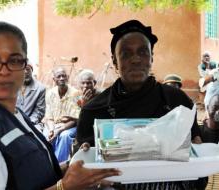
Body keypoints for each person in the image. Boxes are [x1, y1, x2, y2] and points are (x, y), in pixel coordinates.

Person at [0, 21, 120, 190]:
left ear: (25, 66)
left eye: (14, 60)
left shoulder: (13, 113)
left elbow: (30, 173)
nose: (4, 70)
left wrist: (72, 166)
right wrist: (65, 187)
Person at [77, 19, 203, 189]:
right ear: (115, 61)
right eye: (126, 54)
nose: (136, 60)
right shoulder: (93, 111)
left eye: (143, 52)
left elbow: (198, 165)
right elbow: (85, 171)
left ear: (152, 58)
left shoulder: (178, 102)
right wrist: (86, 159)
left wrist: (197, 153)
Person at [44, 67, 80, 162]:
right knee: (46, 135)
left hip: (70, 126)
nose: (61, 78)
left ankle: (59, 166)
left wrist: (59, 130)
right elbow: (49, 117)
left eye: (63, 76)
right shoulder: (50, 93)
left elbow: (75, 119)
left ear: (67, 78)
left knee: (64, 136)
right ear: (54, 79)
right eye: (58, 76)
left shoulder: (75, 93)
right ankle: (47, 163)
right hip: (53, 125)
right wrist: (52, 130)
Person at [16, 63, 46, 132]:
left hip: (32, 123)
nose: (26, 72)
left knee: (37, 136)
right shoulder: (12, 85)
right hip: (13, 122)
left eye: (28, 69)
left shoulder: (40, 88)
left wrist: (28, 122)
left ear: (31, 71)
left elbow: (39, 111)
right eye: (23, 69)